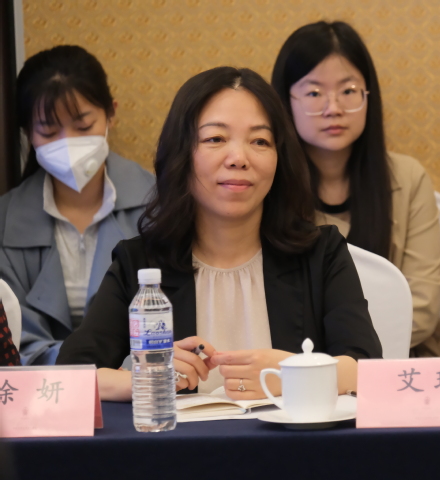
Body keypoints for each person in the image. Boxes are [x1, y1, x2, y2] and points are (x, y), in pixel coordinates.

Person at [57, 66, 382, 401]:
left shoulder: (321, 253)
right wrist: (146, 377)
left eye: (260, 141)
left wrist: (294, 374)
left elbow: (368, 369)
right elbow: (70, 377)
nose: (238, 158)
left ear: (279, 159)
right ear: (181, 153)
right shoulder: (139, 263)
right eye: (215, 139)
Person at [271, 21, 440, 358]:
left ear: (368, 95)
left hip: (404, 360)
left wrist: (349, 355)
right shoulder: (269, 186)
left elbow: (422, 308)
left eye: (348, 91)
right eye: (314, 93)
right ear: (285, 101)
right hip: (302, 369)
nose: (333, 108)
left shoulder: (407, 178)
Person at [0, 45, 155, 365]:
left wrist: (125, 373)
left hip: (138, 383)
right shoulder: (5, 221)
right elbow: (14, 336)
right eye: (49, 131)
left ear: (111, 114)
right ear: (28, 133)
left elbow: (168, 315)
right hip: (41, 386)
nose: (68, 143)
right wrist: (83, 372)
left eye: (83, 127)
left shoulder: (160, 205)